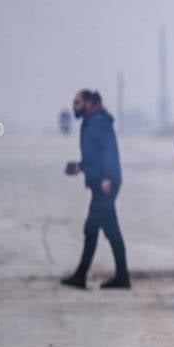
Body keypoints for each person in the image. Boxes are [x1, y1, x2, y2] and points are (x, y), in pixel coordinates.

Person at [61, 89, 129, 289]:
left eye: (77, 102)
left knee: (91, 228)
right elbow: (95, 155)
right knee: (111, 230)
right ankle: (122, 277)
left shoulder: (99, 122)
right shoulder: (91, 121)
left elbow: (109, 151)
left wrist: (108, 177)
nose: (74, 106)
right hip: (101, 183)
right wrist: (80, 167)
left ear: (88, 103)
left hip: (106, 185)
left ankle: (81, 276)